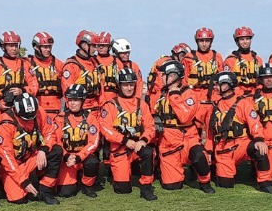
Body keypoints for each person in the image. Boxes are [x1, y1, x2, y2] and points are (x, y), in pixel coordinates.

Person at [194, 72, 272, 193]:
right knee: (225, 184)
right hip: (223, 149)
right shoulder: (214, 107)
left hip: (242, 144)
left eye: (218, 85)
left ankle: (265, 183)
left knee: (260, 149)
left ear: (227, 85)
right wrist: (209, 151)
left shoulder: (243, 103)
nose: (215, 87)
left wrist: (259, 139)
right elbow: (210, 132)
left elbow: (255, 122)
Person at [154, 60, 213, 193]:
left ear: (173, 76)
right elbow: (154, 111)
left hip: (188, 137)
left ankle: (205, 182)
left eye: (164, 74)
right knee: (172, 186)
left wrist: (174, 95)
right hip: (169, 142)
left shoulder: (189, 94)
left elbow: (185, 117)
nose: (161, 77)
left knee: (198, 155)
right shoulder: (161, 94)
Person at [98, 67, 157, 200]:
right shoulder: (110, 105)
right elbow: (106, 130)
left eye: (131, 85)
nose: (129, 88)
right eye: (125, 85)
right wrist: (125, 141)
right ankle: (121, 172)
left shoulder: (142, 104)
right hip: (120, 148)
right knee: (123, 189)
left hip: (138, 145)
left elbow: (150, 126)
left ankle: (146, 187)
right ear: (119, 86)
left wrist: (143, 140)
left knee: (148, 152)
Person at [0, 92, 62, 205]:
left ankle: (45, 190)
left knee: (56, 150)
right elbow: (6, 158)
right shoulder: (5, 124)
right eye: (25, 118)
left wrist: (43, 149)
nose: (29, 121)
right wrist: (23, 181)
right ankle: (5, 182)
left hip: (31, 156)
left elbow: (50, 132)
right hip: (14, 164)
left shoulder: (39, 111)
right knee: (17, 199)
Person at [0, 31, 40, 122]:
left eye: (16, 46)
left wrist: (23, 90)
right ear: (3, 47)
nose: (14, 49)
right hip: (2, 109)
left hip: (23, 108)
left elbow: (34, 86)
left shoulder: (25, 64)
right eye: (11, 46)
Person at [55, 84, 101, 198]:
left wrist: (79, 157)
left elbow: (93, 142)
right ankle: (75, 178)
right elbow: (56, 141)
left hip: (83, 157)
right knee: (66, 193)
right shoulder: (60, 118)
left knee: (92, 162)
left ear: (82, 101)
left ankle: (87, 185)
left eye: (76, 100)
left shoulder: (90, 118)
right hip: (67, 159)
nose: (72, 103)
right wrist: (66, 156)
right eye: (70, 100)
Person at [62, 30, 102, 113]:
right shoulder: (72, 65)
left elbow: (101, 89)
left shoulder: (95, 63)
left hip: (96, 109)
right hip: (81, 110)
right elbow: (67, 91)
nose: (96, 49)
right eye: (93, 46)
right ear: (84, 45)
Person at [29, 31, 64, 118]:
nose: (48, 49)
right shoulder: (27, 64)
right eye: (45, 47)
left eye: (49, 47)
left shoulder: (59, 64)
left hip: (56, 109)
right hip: (36, 109)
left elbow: (66, 87)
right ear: (36, 47)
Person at [183, 27, 224, 98]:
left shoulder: (217, 57)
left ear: (211, 42)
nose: (204, 44)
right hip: (194, 94)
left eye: (207, 41)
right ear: (197, 41)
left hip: (213, 95)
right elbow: (184, 80)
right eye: (201, 41)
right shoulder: (189, 57)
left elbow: (222, 79)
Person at [222, 27, 263, 97]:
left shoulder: (258, 60)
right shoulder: (231, 60)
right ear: (237, 41)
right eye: (242, 39)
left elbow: (262, 81)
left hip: (255, 96)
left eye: (247, 39)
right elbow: (227, 83)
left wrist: (257, 92)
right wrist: (240, 93)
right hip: (237, 96)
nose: (245, 42)